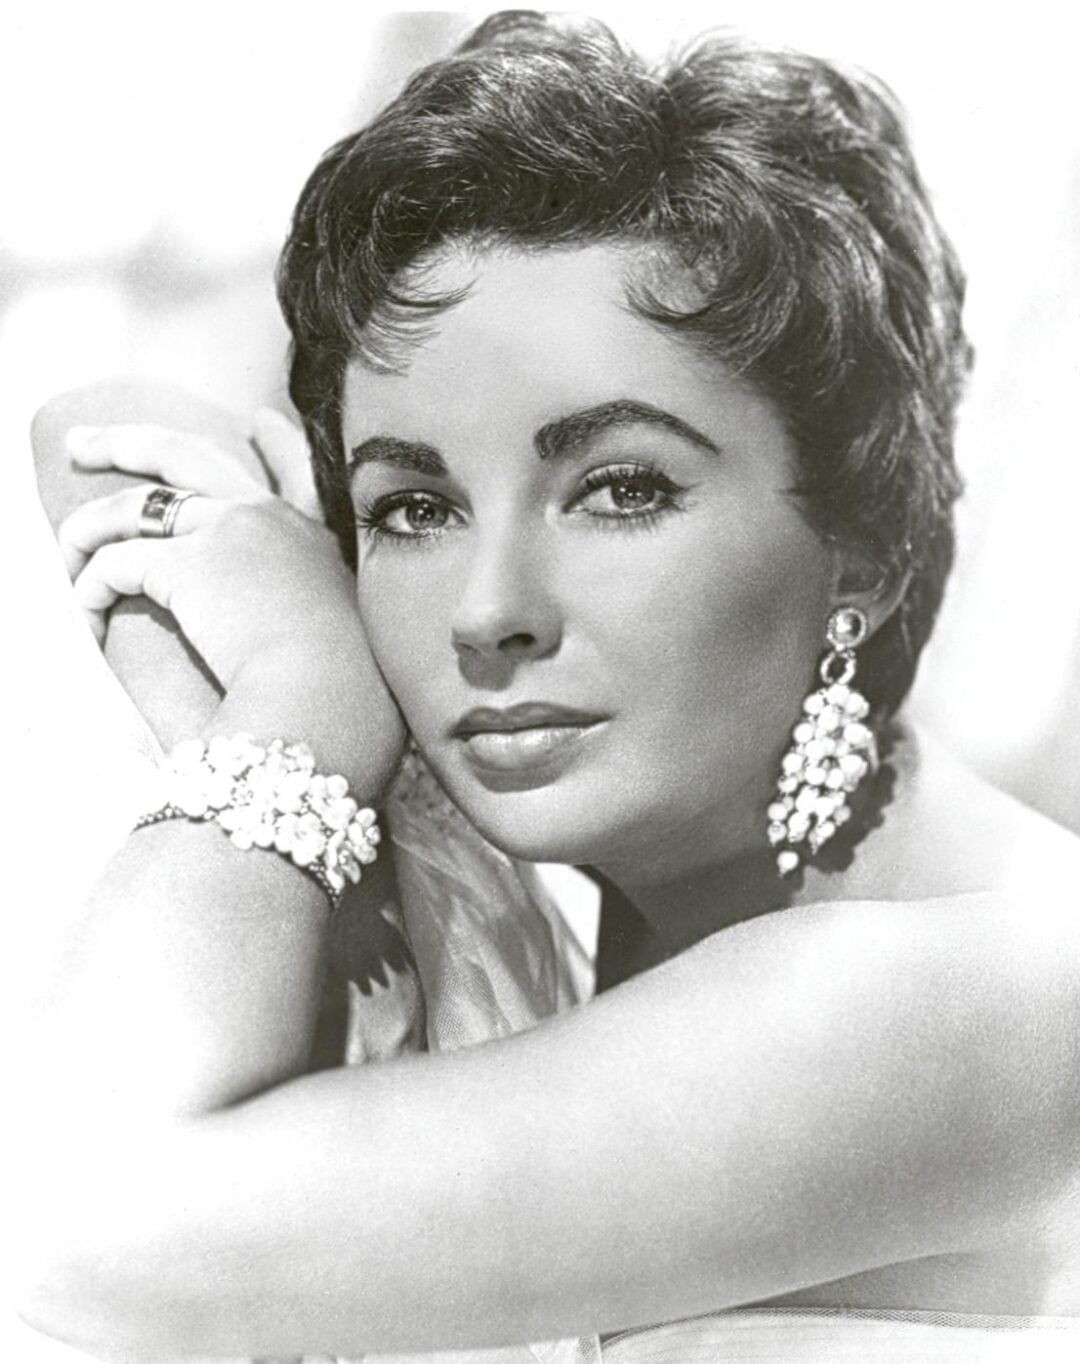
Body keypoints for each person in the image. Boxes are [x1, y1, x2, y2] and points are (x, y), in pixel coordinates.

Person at [14, 11, 1080, 1362]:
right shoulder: (679, 916)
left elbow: (69, 1236)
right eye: (414, 508)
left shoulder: (989, 996)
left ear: (859, 553)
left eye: (621, 489)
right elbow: (100, 433)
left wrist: (301, 703)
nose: (489, 614)